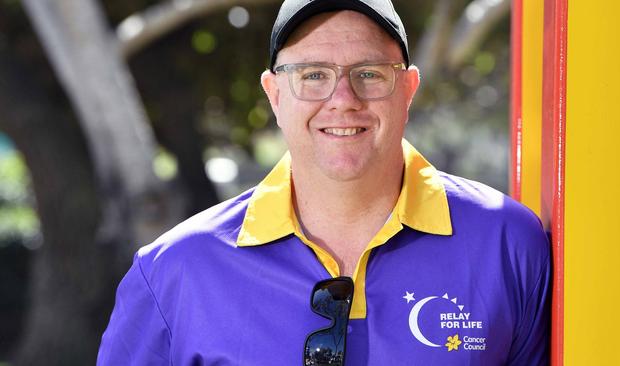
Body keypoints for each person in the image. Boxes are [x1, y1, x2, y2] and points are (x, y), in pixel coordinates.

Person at [97, 0, 551, 365]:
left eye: (369, 74)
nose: (342, 100)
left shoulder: (508, 244)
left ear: (408, 89)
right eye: (313, 75)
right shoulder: (175, 271)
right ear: (274, 94)